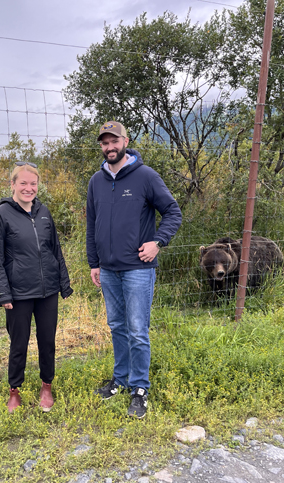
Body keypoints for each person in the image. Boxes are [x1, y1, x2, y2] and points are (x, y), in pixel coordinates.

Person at [86, 121, 182, 419]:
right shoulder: (96, 181)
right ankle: (120, 379)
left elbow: (172, 212)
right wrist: (94, 262)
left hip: (138, 269)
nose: (110, 147)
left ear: (125, 141)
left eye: (114, 141)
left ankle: (140, 388)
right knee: (117, 326)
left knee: (138, 330)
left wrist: (158, 242)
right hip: (108, 270)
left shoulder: (146, 176)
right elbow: (92, 224)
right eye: (104, 143)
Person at [0, 161, 73, 414]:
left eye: (33, 183)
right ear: (12, 184)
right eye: (23, 183)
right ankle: (14, 390)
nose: (29, 188)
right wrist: (3, 293)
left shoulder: (44, 212)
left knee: (47, 341)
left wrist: (63, 283)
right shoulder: (0, 215)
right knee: (19, 344)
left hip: (48, 291)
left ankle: (46, 386)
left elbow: (55, 249)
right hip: (18, 293)